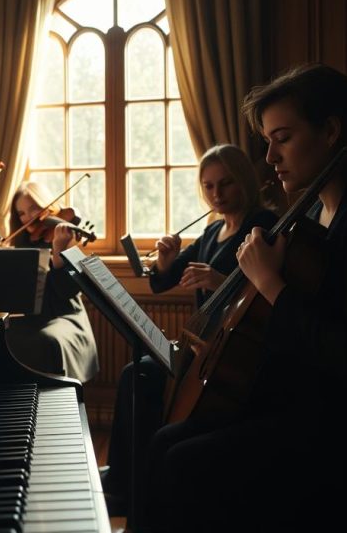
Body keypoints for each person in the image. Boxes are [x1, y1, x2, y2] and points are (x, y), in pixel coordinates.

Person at [139, 64, 347, 532]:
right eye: (268, 140)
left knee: (184, 464)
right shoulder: (313, 212)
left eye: (283, 137)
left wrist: (271, 285)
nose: (269, 156)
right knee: (165, 443)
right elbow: (306, 331)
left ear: (331, 130)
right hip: (326, 417)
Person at [102, 144, 278, 510]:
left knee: (143, 377)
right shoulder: (213, 233)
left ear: (244, 181)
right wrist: (165, 261)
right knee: (135, 372)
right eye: (209, 186)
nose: (217, 195)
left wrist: (219, 279)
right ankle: (123, 476)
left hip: (228, 352)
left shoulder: (261, 226)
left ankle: (132, 483)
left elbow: (265, 295)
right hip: (202, 346)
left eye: (226, 184)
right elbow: (159, 284)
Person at [5, 182, 98, 382]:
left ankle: (56, 400)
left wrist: (58, 251)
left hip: (64, 316)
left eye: (33, 209)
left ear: (47, 206)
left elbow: (66, 292)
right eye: (21, 213)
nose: (28, 218)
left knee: (46, 341)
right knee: (1, 338)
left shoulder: (64, 237)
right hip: (30, 318)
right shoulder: (21, 244)